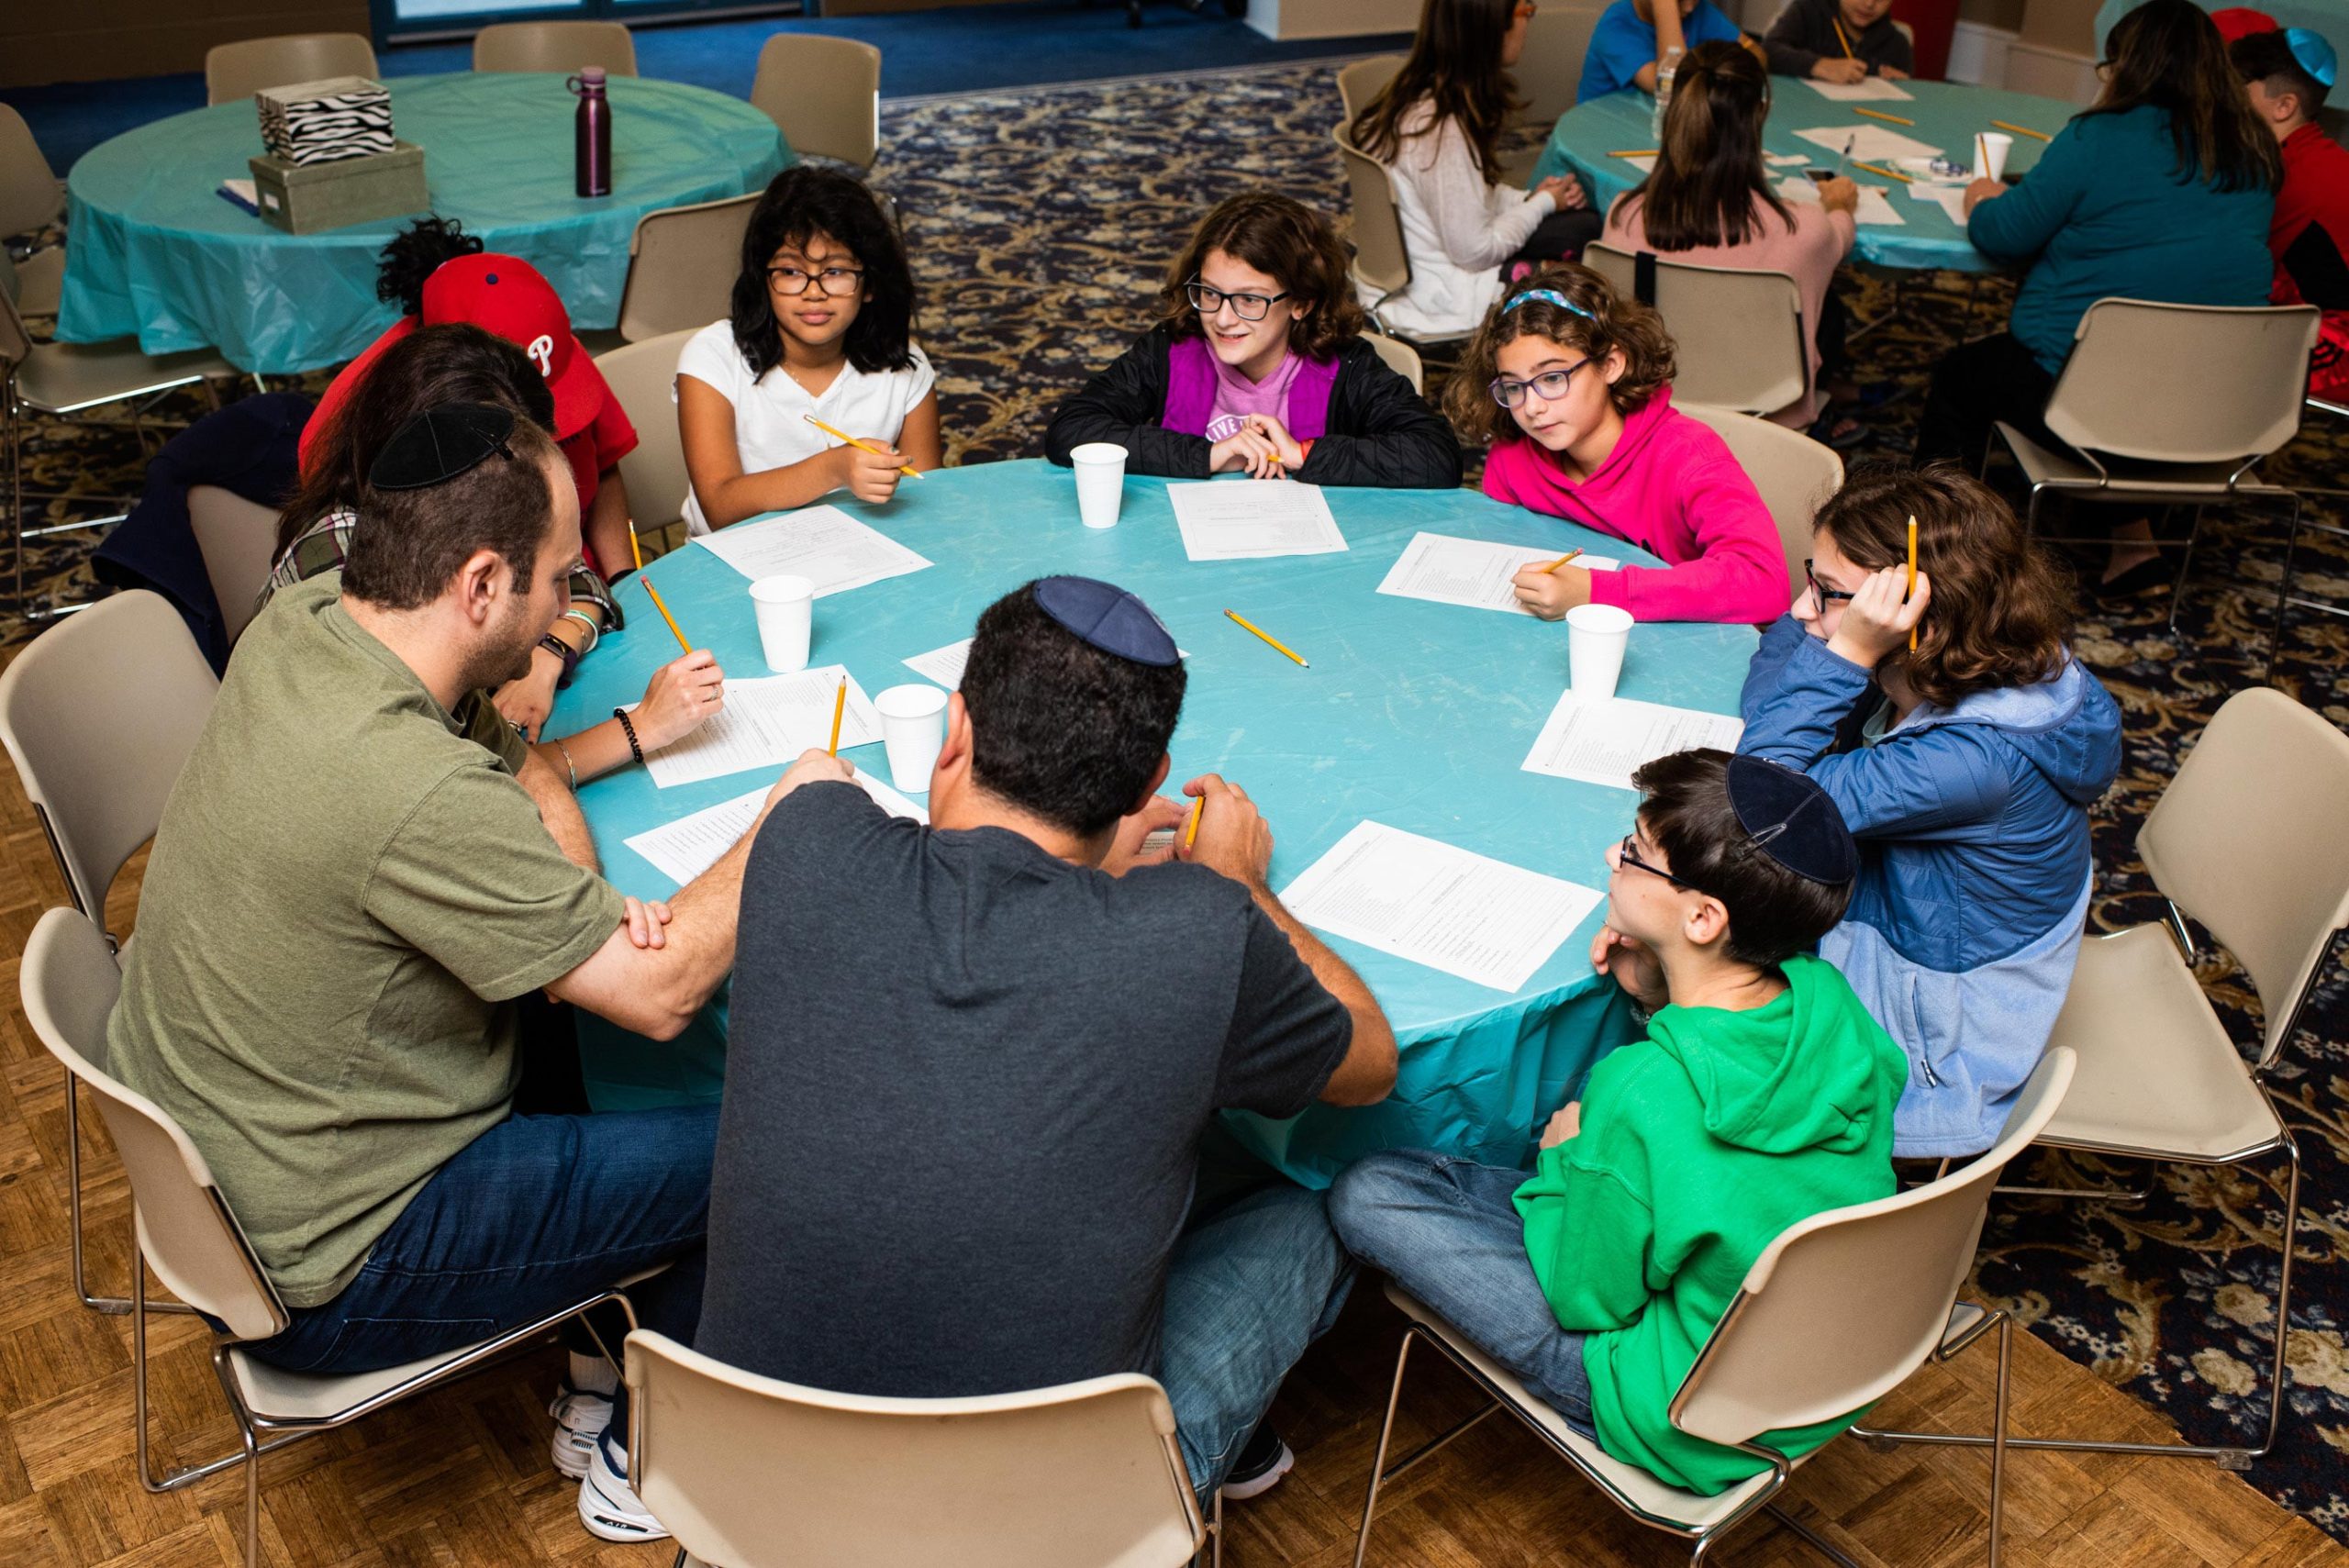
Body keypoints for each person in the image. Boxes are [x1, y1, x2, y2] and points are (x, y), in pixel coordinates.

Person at [105, 399, 797, 1541]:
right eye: (557, 576)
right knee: (764, 1143)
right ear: (480, 584)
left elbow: (517, 761)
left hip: (241, 1157)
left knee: (589, 1037)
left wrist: (578, 905)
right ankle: (646, 1442)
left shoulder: (313, 617)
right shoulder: (410, 788)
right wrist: (792, 812)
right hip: (335, 1257)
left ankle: (600, 1344)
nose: (571, 600)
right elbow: (660, 992)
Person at [651, 578, 1399, 1543]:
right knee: (1313, 1201)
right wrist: (1241, 885)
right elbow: (1370, 1060)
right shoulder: (1199, 935)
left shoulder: (805, 845)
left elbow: (831, 789)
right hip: (1054, 1532)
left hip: (748, 1508)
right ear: (1146, 784)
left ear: (954, 729)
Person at [1330, 748, 1906, 1495]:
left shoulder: (1640, 1089)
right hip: (1830, 1365)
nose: (1612, 854)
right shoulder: (1834, 1007)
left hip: (1681, 1413)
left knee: (1367, 1188)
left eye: (1634, 852)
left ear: (1704, 916)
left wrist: (1563, 1162)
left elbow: (1590, 1299)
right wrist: (1658, 987)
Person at [1737, 464, 2121, 1157]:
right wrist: (1840, 633)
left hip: (1939, 1042)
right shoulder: (1975, 652)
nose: (1800, 607)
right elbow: (1776, 680)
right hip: (1922, 928)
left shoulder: (1975, 761)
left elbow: (1766, 802)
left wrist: (1848, 647)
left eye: (1828, 593)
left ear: (1917, 619)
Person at [1913, 0, 2277, 592]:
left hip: (2095, 400)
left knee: (1960, 377)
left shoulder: (2100, 136)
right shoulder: (2254, 150)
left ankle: (1939, 552)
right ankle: (2133, 545)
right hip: (2215, 406)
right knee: (2139, 368)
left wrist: (1982, 196)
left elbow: (2005, 234)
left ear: (2128, 67)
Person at [264, 323, 725, 783]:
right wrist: (640, 727)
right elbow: (475, 780)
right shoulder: (348, 567)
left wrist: (547, 655)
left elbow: (582, 581)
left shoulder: (456, 519)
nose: (559, 602)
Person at [1443, 264, 1788, 622]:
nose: (1532, 407)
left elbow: (1764, 583)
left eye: (1552, 378)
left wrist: (1597, 593)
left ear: (1610, 364)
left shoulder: (1688, 455)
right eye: (1514, 387)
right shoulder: (1511, 461)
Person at [1043, 191, 1463, 484]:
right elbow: (1072, 429)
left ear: (1302, 302)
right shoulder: (1171, 349)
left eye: (1249, 300)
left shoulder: (1348, 367)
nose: (1223, 319)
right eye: (1210, 293)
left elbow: (1436, 456)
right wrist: (1207, 455)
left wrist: (1303, 454)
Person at [303, 227, 641, 587]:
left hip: (578, 585)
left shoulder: (546, 345)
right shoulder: (352, 418)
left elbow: (603, 467)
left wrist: (623, 581)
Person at [1599, 40, 1859, 431]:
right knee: (1832, 310)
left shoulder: (1624, 215)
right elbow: (1841, 237)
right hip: (1767, 424)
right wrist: (1839, 204)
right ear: (1760, 112)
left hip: (1648, 412)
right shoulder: (1802, 229)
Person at [678, 165, 941, 531]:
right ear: (762, 280)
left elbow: (927, 502)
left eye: (835, 272)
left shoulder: (905, 367)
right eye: (790, 272)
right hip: (738, 561)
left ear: (869, 285)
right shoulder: (714, 356)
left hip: (862, 554)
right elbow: (720, 508)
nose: (813, 292)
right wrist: (834, 468)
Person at [1342, 0, 1599, 338]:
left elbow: (1468, 196)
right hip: (1444, 295)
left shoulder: (1420, 93)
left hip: (1430, 267)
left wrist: (1530, 198)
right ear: (1493, 26)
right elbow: (1475, 252)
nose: (1529, 23)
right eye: (1526, 11)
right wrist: (1544, 203)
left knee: (1578, 224)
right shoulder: (1439, 132)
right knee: (1589, 242)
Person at [2232, 27, 2347, 405]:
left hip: (2334, 359)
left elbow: (2239, 281)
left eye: (2237, 88)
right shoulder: (2320, 158)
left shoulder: (2287, 180)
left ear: (2284, 106)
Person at [1580, 0, 1749, 101]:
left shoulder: (1697, 9)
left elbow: (1755, 54)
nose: (1690, 7)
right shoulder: (1615, 25)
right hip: (1605, 133)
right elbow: (1671, 87)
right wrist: (1665, 5)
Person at [1762, 0, 1913, 83]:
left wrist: (1903, 84)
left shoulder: (1898, 42)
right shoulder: (1808, 10)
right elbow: (1768, 50)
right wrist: (1817, 65)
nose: (1869, 4)